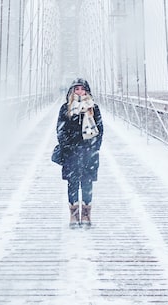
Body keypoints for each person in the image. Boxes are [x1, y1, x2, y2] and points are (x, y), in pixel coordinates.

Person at [56, 78, 104, 227]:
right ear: (72, 91)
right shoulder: (66, 108)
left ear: (87, 91)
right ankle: (74, 215)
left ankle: (86, 215)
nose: (79, 92)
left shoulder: (93, 108)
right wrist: (67, 146)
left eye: (82, 89)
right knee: (72, 184)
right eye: (76, 89)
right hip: (71, 153)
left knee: (87, 184)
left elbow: (100, 130)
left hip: (89, 153)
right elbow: (60, 130)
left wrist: (94, 148)